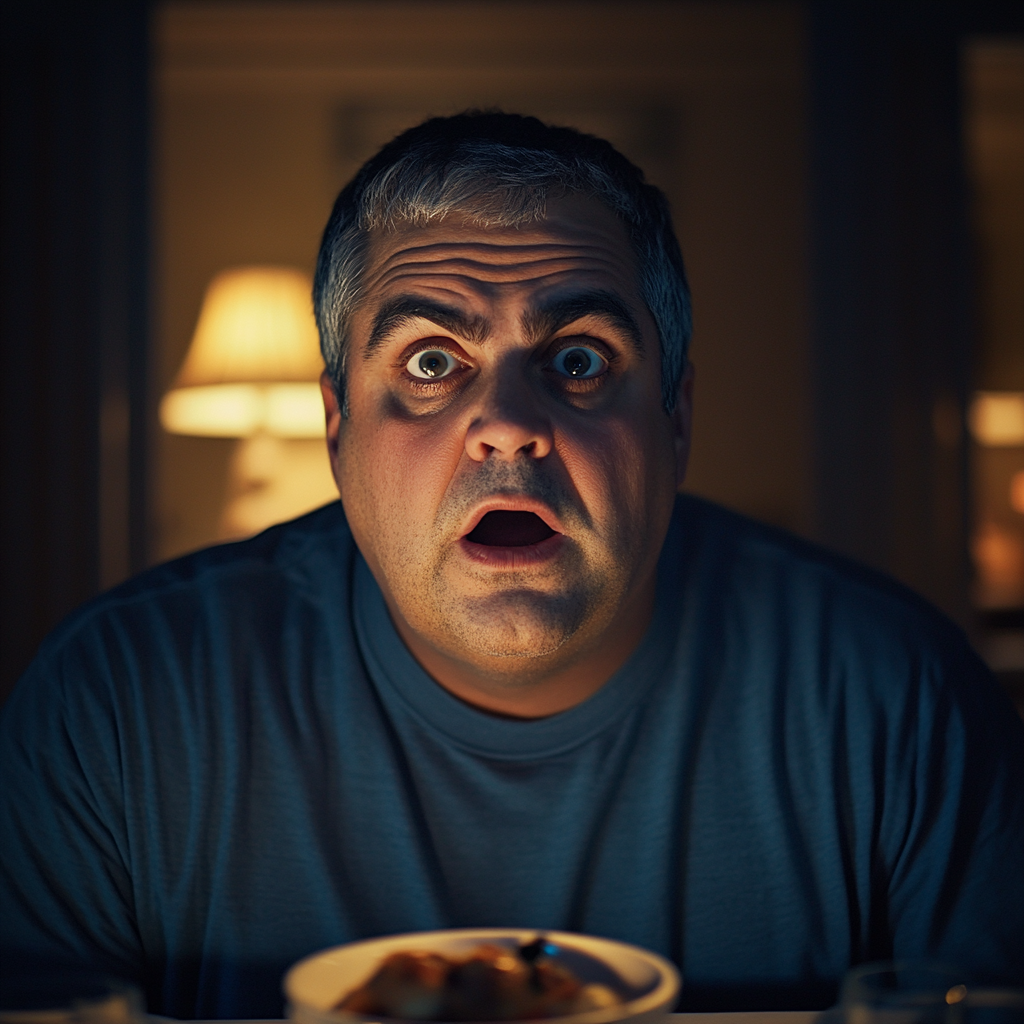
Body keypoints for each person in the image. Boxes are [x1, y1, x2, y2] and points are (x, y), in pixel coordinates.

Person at [2, 112, 1022, 1020]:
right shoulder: (117, 707)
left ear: (676, 419)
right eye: (430, 362)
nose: (505, 427)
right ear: (335, 424)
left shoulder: (895, 695)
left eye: (577, 359)